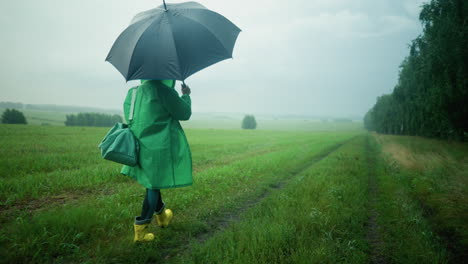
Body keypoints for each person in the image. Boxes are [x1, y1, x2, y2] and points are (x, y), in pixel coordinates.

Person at [120, 79, 192, 242]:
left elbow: (129, 117)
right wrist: (186, 96)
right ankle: (141, 229)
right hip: (158, 147)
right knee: (152, 186)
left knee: (152, 183)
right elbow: (184, 113)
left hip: (139, 145)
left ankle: (162, 217)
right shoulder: (164, 91)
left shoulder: (133, 92)